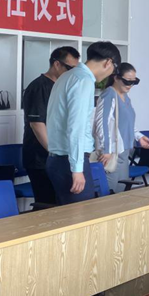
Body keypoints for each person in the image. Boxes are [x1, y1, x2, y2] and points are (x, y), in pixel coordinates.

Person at [46, 41, 120, 205]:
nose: (111, 74)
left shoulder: (68, 76)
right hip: (69, 162)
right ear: (108, 63)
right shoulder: (83, 80)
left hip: (59, 160)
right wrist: (77, 169)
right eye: (114, 69)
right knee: (81, 215)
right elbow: (76, 128)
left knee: (67, 215)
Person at [22, 46, 81, 205]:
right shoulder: (39, 87)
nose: (72, 73)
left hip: (58, 156)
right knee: (47, 204)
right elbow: (37, 124)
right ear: (57, 64)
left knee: (62, 202)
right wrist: (55, 152)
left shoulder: (63, 85)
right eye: (69, 68)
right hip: (40, 158)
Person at [92, 62, 149, 194]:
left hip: (124, 151)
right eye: (127, 81)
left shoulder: (126, 97)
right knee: (109, 193)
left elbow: (128, 123)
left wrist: (139, 137)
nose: (130, 85)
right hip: (112, 152)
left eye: (134, 82)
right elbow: (101, 123)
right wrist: (106, 149)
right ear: (116, 78)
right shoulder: (109, 94)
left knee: (121, 191)